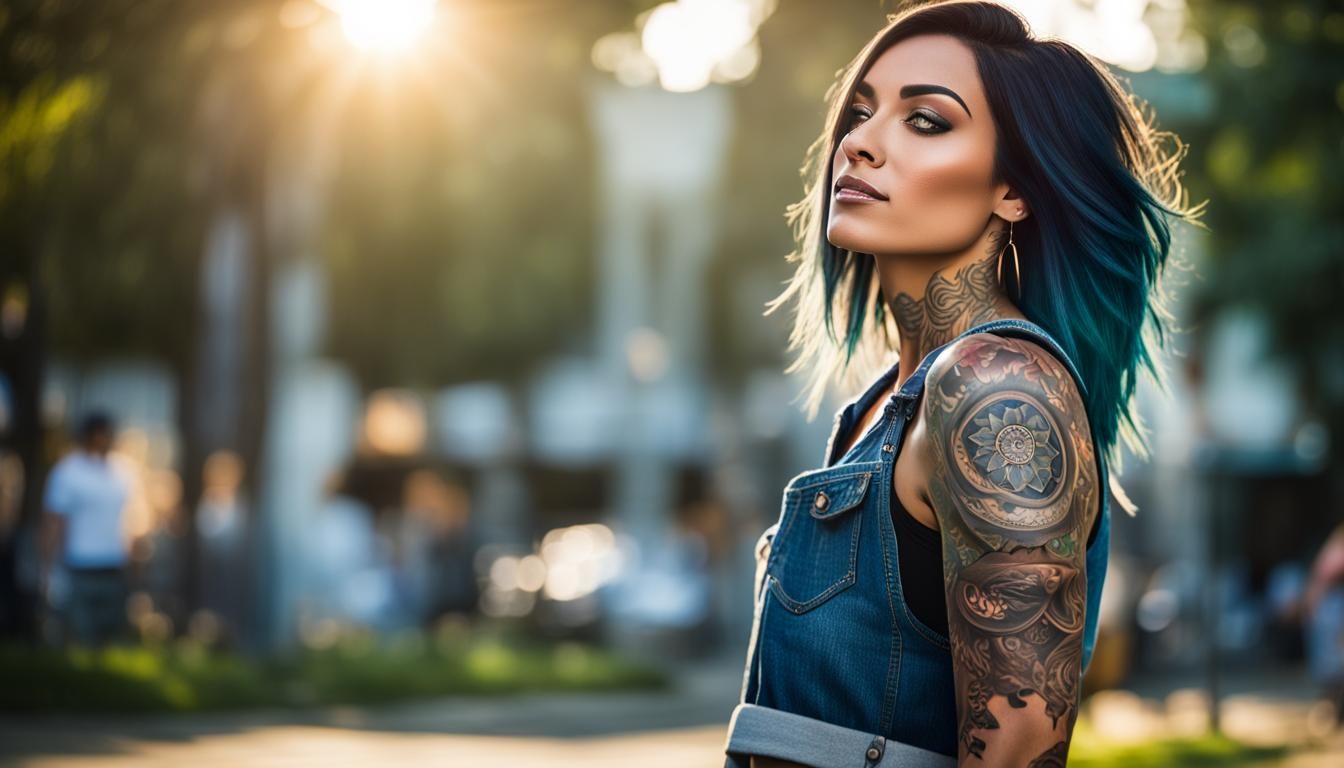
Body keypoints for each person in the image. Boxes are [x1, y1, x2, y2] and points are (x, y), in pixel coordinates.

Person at [723, 3, 1203, 767]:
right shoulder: (884, 404)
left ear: (1012, 189)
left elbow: (1016, 748)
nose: (859, 144)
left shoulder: (998, 391)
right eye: (860, 111)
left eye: (925, 121)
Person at [40, 410, 137, 647]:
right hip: (79, 566)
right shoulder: (68, 471)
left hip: (114, 565)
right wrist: (48, 567)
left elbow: (133, 517)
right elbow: (54, 521)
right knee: (80, 638)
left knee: (111, 638)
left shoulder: (122, 471)